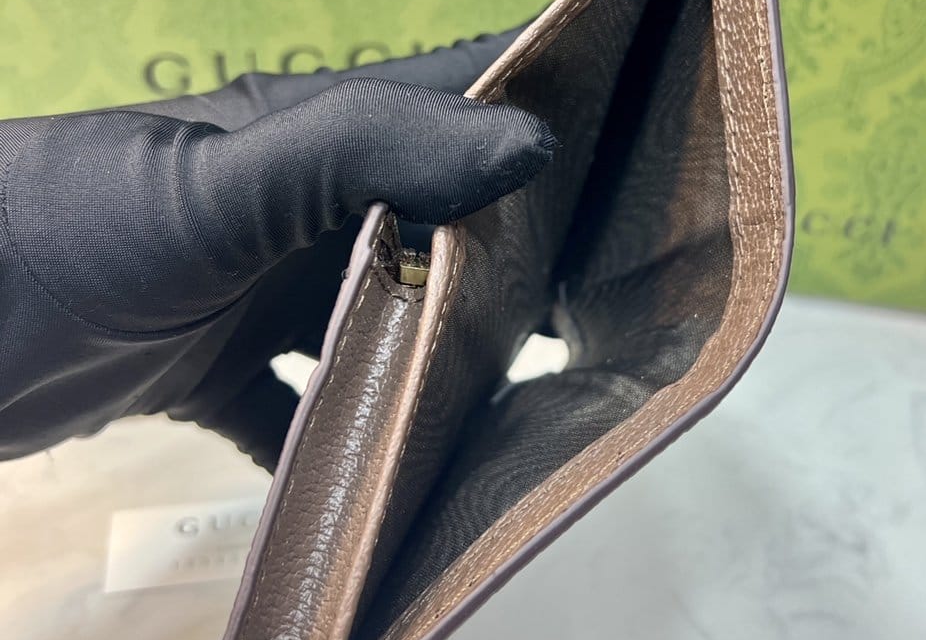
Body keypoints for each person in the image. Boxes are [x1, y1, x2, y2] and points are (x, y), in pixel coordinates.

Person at [0, 29, 553, 469]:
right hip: (151, 338)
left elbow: (359, 136)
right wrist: (183, 372)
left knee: (535, 66)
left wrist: (31, 232)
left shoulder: (99, 226)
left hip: (98, 235)